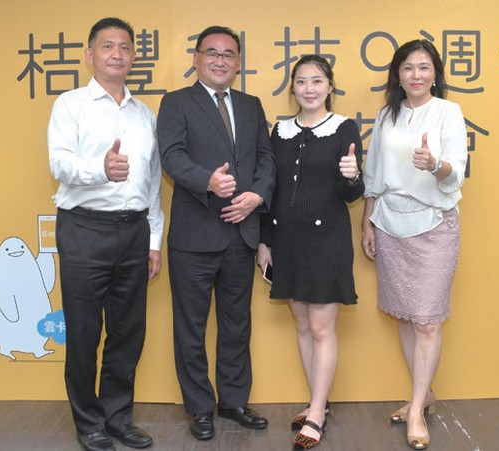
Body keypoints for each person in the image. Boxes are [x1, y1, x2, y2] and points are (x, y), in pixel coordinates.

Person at [48, 17, 164, 451]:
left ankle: (117, 418)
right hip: (84, 229)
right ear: (90, 54)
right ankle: (88, 423)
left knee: (127, 331)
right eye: (107, 46)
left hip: (134, 231)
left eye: (125, 47)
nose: (117, 54)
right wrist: (100, 168)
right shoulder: (71, 105)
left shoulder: (144, 114)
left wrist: (153, 241)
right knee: (82, 333)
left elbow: (153, 184)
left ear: (134, 56)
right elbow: (59, 163)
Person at [156, 25, 276, 441]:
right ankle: (200, 407)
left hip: (241, 234)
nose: (220, 60)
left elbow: (266, 158)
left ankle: (234, 402)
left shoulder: (251, 105)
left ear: (238, 62)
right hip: (194, 237)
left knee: (237, 325)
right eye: (212, 52)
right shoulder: (176, 102)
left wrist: (257, 196)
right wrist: (207, 180)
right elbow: (171, 156)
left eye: (228, 54)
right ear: (196, 59)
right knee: (190, 328)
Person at [361, 39, 467, 450]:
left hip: (434, 224)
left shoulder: (447, 112)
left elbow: (456, 170)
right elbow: (373, 175)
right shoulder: (386, 115)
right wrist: (368, 223)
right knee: (406, 317)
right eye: (408, 68)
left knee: (427, 320)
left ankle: (417, 409)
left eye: (424, 67)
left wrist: (434, 165)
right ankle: (423, 396)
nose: (416, 75)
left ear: (435, 74)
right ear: (398, 75)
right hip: (389, 223)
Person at [257, 55, 364, 450]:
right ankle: (318, 400)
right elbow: (270, 188)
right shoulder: (280, 130)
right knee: (302, 326)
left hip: (327, 241)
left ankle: (317, 412)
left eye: (317, 81)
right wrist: (264, 241)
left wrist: (353, 177)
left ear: (330, 86)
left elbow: (352, 192)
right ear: (293, 88)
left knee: (321, 328)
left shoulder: (344, 128)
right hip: (286, 241)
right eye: (301, 81)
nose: (309, 89)